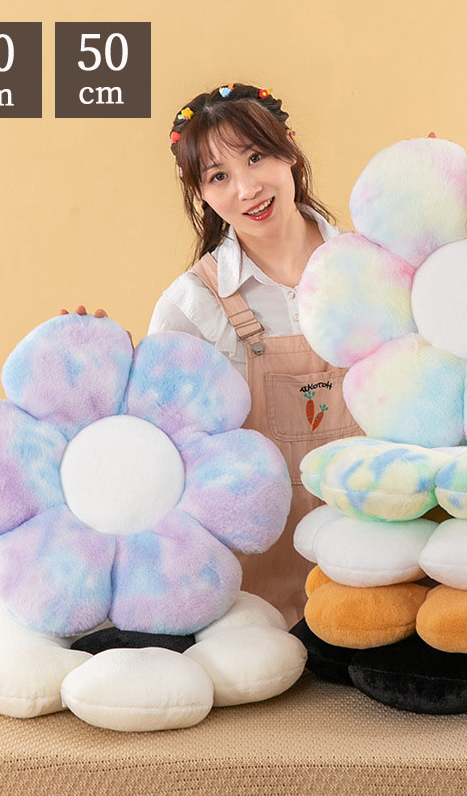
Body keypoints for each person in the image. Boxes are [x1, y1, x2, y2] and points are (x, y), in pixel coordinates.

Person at [149, 83, 361, 626]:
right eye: (218, 176)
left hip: (379, 575)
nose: (247, 188)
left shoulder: (371, 268)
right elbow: (158, 450)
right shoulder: (192, 306)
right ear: (201, 194)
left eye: (255, 157)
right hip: (259, 610)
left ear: (289, 149)